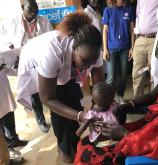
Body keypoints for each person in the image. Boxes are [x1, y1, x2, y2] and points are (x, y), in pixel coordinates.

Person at [74, 31, 158, 164]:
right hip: (153, 129)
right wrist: (129, 104)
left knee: (95, 155)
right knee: (86, 142)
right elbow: (152, 95)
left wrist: (126, 135)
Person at [17, 12, 104, 163]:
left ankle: (72, 141)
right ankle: (63, 147)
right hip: (38, 62)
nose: (89, 65)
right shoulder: (52, 51)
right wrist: (80, 116)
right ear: (74, 48)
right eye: (85, 60)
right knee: (59, 111)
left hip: (67, 68)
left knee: (75, 101)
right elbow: (47, 98)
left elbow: (99, 84)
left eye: (93, 61)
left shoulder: (93, 50)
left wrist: (99, 106)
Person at [2, 0, 53, 133]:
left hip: (40, 59)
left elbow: (50, 39)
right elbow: (3, 37)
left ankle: (55, 113)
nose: (34, 12)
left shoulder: (44, 21)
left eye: (36, 9)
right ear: (22, 8)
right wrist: (10, 46)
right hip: (21, 60)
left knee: (47, 87)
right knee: (32, 91)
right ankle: (40, 119)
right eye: (31, 10)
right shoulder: (11, 22)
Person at [102, 0, 135, 104]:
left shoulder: (129, 9)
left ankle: (120, 96)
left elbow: (132, 29)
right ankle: (107, 100)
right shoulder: (108, 10)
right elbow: (105, 31)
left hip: (125, 47)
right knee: (110, 77)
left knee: (123, 76)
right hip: (111, 48)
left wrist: (132, 48)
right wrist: (105, 49)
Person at [132, 0, 158, 99]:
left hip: (155, 39)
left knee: (154, 73)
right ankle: (137, 102)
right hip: (140, 39)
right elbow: (138, 17)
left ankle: (154, 104)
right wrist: (135, 42)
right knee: (138, 72)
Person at [76, 82, 119, 147]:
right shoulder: (113, 106)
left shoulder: (92, 114)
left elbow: (78, 133)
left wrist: (89, 120)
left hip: (100, 144)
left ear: (93, 100)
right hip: (116, 140)